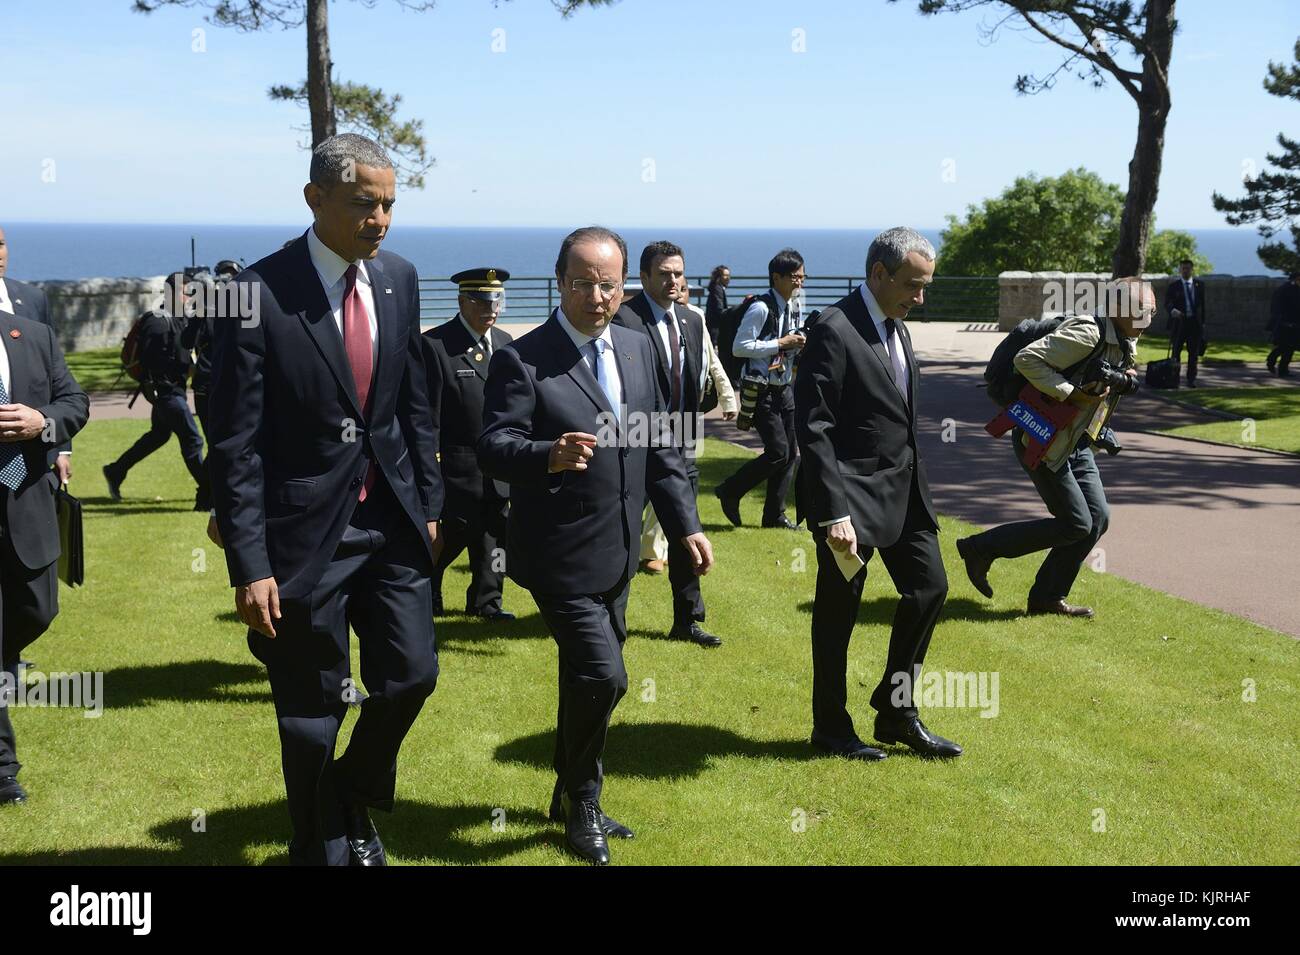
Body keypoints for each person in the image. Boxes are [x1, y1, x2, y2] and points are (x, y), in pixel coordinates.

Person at [207, 133, 444, 866]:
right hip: (302, 537)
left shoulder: (400, 279)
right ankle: (321, 842)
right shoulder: (257, 294)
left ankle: (348, 795)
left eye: (389, 204)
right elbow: (236, 444)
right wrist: (249, 564)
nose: (380, 219)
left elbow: (413, 407)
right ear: (315, 199)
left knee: (412, 675)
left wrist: (429, 505)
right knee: (312, 714)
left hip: (393, 525)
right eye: (363, 204)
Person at [478, 226, 712, 865]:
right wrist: (546, 455)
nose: (597, 295)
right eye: (582, 283)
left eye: (608, 284)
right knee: (605, 676)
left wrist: (686, 524)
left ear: (622, 285)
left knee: (583, 679)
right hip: (556, 554)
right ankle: (583, 800)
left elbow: (662, 450)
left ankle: (568, 793)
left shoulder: (637, 350)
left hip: (618, 553)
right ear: (560, 283)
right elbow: (493, 445)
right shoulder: (523, 358)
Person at [794, 227, 958, 762]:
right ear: (878, 274)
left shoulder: (897, 326)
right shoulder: (833, 329)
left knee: (930, 589)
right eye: (912, 284)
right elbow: (813, 427)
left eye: (926, 285)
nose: (920, 296)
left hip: (906, 492)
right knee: (838, 615)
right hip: (849, 500)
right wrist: (832, 512)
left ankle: (895, 709)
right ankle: (831, 727)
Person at [956, 277, 1150, 620]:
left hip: (1074, 441)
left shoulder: (1124, 339)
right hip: (1041, 437)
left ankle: (1047, 596)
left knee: (1098, 518)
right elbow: (1027, 359)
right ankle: (979, 548)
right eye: (1144, 310)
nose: (1150, 315)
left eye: (1152, 310)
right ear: (1120, 309)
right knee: (1076, 522)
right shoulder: (1087, 333)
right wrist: (1071, 392)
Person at [0, 309, 90, 804]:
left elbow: (74, 402)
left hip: (27, 508)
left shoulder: (34, 336)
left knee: (39, 610)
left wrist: (44, 422)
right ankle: (3, 770)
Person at [614, 242, 721, 648]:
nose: (673, 280)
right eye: (663, 274)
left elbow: (698, 381)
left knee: (686, 533)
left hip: (684, 441)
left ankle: (688, 620)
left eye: (678, 273)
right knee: (622, 535)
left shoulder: (691, 321)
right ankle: (609, 617)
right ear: (643, 278)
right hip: (635, 442)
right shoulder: (623, 319)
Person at [421, 267, 515, 621]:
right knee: (446, 541)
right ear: (463, 301)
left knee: (495, 542)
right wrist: (431, 469)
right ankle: (428, 598)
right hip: (456, 471)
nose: (491, 309)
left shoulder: (506, 343)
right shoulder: (436, 346)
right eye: (483, 301)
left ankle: (487, 603)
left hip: (499, 468)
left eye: (498, 301)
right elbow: (428, 417)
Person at [639, 278, 737, 574]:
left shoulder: (694, 318)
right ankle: (635, 545)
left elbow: (711, 358)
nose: (678, 292)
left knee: (676, 481)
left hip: (687, 418)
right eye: (673, 285)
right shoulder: (644, 321)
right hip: (648, 420)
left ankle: (657, 549)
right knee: (648, 484)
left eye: (683, 287)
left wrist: (728, 397)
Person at [102, 271, 212, 511]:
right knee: (193, 439)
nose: (190, 297)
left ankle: (115, 470)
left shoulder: (182, 318)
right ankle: (208, 493)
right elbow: (152, 362)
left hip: (176, 389)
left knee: (159, 435)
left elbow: (187, 350)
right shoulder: (157, 320)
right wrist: (160, 390)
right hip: (166, 392)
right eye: (186, 293)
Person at [714, 248, 806, 529]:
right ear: (776, 277)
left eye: (803, 277)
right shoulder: (761, 307)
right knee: (778, 451)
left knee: (790, 454)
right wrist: (781, 344)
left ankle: (774, 516)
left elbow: (789, 339)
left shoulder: (793, 306)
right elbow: (739, 347)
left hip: (784, 387)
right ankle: (730, 490)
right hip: (762, 390)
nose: (799, 282)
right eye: (794, 277)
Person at [0, 225, 73, 485]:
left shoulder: (32, 300)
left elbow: (56, 386)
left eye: (1, 244)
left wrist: (59, 445)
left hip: (32, 469)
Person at [1165, 259, 1206, 387]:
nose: (1185, 270)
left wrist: (1203, 323)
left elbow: (1202, 306)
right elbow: (1167, 303)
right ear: (1180, 269)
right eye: (1183, 268)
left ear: (1192, 269)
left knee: (1193, 353)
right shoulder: (1174, 286)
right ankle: (1174, 379)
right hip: (1179, 323)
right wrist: (1173, 311)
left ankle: (1191, 379)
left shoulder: (1199, 285)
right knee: (1176, 352)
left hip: (1194, 324)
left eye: (1188, 268)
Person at [1266, 271, 1300, 378]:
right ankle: (1282, 370)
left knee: (1286, 347)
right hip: (1286, 323)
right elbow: (1289, 307)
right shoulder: (1288, 290)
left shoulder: (1289, 289)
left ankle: (1273, 360)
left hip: (1288, 322)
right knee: (1288, 347)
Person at [704, 264, 730, 343]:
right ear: (719, 277)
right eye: (725, 275)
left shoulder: (716, 287)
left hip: (713, 325)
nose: (728, 278)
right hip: (715, 327)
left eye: (729, 275)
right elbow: (719, 309)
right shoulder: (717, 289)